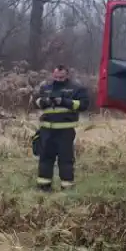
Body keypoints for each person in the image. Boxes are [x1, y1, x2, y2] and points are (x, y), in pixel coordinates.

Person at [33, 64, 90, 192]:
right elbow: (35, 101)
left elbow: (84, 104)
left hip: (65, 130)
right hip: (47, 130)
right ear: (53, 75)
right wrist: (44, 102)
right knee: (45, 158)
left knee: (65, 159)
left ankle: (67, 187)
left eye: (61, 77)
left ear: (67, 75)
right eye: (56, 77)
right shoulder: (46, 87)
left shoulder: (76, 88)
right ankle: (43, 186)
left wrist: (64, 101)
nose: (58, 79)